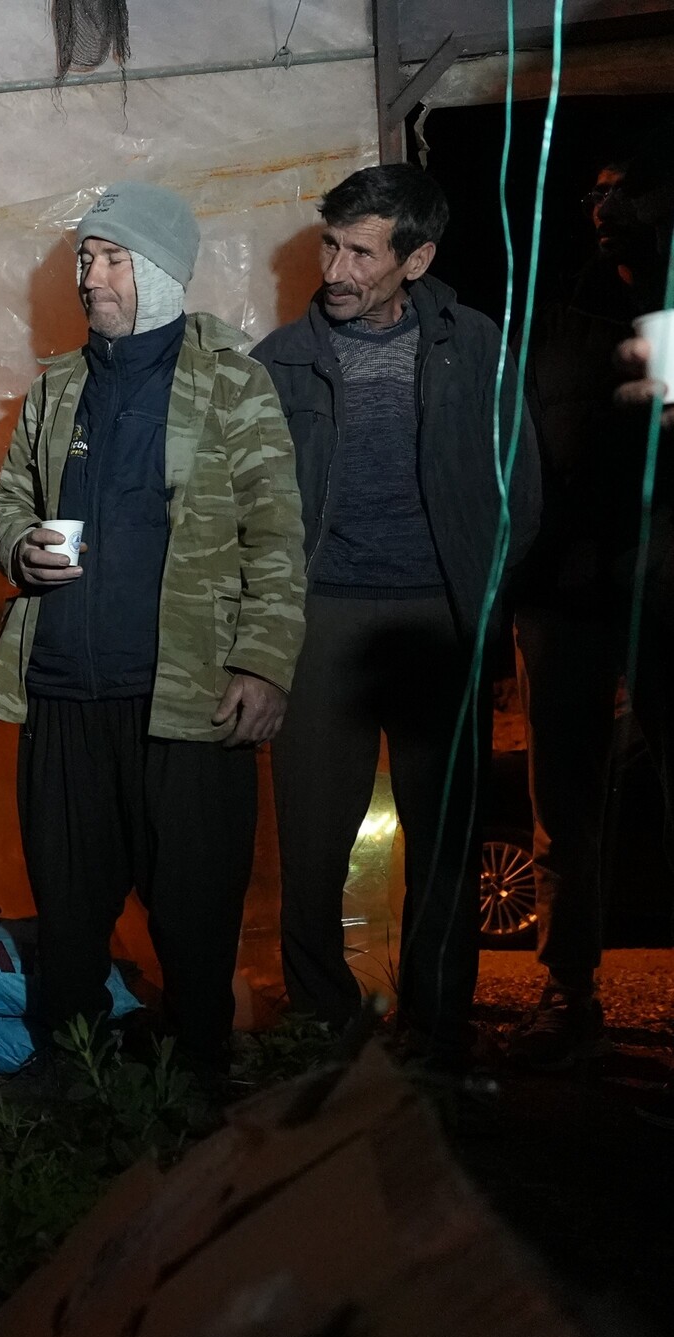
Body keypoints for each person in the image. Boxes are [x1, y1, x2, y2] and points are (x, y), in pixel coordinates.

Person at [0, 182, 305, 1080]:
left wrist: (263, 662)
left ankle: (198, 1079)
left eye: (111, 258)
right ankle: (73, 1080)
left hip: (185, 697)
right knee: (69, 905)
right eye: (85, 258)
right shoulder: (56, 390)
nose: (90, 277)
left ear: (161, 271)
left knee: (195, 909)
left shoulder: (233, 383)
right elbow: (6, 503)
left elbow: (276, 532)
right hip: (62, 693)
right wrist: (17, 543)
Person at [253, 164, 540, 1069]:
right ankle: (324, 1031)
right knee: (310, 844)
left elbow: (518, 493)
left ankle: (438, 1031)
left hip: (434, 626)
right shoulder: (280, 361)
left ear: (416, 258)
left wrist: (478, 607)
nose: (335, 270)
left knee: (445, 845)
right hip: (322, 622)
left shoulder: (474, 347)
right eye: (328, 245)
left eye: (361, 252)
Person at [513, 151, 674, 1070]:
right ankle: (568, 991)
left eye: (625, 189)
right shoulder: (556, 322)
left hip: (666, 596)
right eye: (592, 193)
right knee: (563, 804)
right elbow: (521, 461)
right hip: (565, 602)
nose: (602, 207)